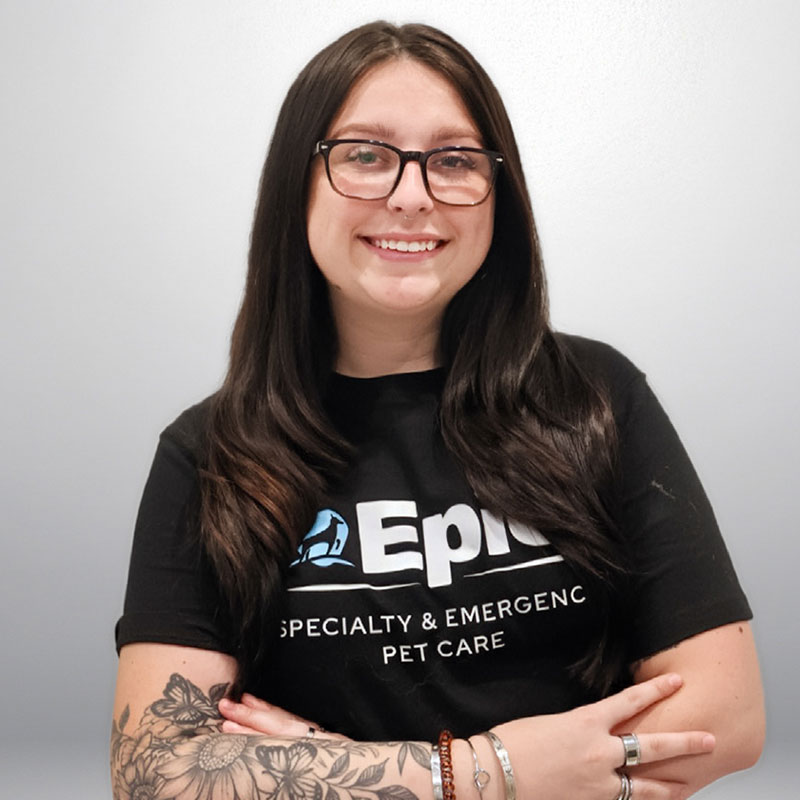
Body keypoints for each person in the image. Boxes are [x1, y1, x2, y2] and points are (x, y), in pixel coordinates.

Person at [111, 21, 764, 800]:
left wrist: (336, 768)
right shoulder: (209, 453)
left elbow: (726, 719)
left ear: (499, 192)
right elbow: (155, 772)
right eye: (364, 155)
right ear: (299, 180)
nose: (412, 195)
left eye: (453, 161)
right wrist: (485, 775)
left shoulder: (595, 398)